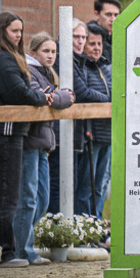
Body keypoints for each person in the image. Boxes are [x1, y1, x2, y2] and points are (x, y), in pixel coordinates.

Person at [0, 12, 52, 268]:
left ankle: (3, 249)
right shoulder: (2, 57)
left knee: (2, 194)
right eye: (14, 31)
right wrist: (41, 98)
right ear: (2, 30)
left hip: (2, 132)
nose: (18, 36)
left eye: (20, 31)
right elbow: (17, 91)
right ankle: (3, 252)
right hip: (5, 132)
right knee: (5, 195)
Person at [14, 33, 74, 264]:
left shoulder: (48, 73)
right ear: (34, 52)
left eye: (53, 52)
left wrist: (58, 96)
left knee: (43, 199)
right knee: (28, 197)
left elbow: (66, 97)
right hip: (29, 141)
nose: (51, 55)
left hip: (43, 142)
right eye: (46, 51)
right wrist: (59, 96)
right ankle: (24, 250)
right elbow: (41, 97)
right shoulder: (29, 71)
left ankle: (22, 240)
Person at [48, 20, 89, 214]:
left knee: (69, 184)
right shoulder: (62, 58)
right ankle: (55, 230)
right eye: (75, 36)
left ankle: (65, 229)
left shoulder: (77, 59)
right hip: (57, 133)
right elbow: (81, 92)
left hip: (73, 133)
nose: (80, 41)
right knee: (58, 184)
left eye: (83, 37)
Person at [74, 30, 111, 218]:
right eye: (92, 44)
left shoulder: (106, 68)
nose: (96, 48)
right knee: (87, 185)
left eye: (99, 44)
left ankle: (96, 225)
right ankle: (84, 226)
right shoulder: (83, 69)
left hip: (108, 135)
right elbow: (85, 93)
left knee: (101, 185)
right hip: (91, 135)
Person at [87, 0, 121, 65]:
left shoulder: (120, 38)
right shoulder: (87, 34)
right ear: (97, 14)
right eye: (108, 14)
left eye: (116, 15)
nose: (113, 19)